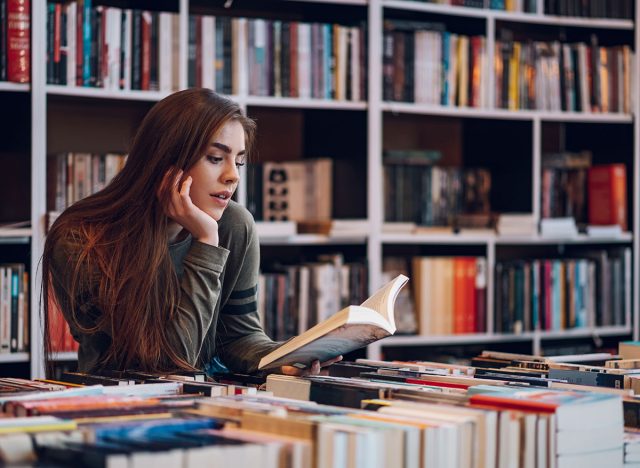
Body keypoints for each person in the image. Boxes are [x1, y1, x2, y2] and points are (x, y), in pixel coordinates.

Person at [42, 88, 341, 377]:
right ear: (166, 161)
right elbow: (168, 365)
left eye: (238, 161)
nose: (233, 176)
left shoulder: (235, 225)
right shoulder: (81, 239)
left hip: (207, 400)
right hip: (117, 405)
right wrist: (207, 243)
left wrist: (288, 357)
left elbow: (239, 337)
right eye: (215, 158)